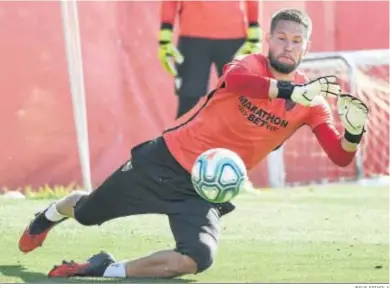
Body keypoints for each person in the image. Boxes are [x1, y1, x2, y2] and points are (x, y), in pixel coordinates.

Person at [19, 9, 368, 279]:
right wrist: (290, 90)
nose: (287, 46)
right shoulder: (252, 64)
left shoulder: (313, 106)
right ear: (269, 41)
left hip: (204, 189)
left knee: (197, 259)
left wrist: (353, 133)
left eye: (296, 40)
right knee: (86, 213)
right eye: (281, 38)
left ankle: (104, 267)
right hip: (164, 162)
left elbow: (339, 156)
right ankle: (49, 215)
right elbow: (235, 81)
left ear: (306, 47)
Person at [158, 1, 262, 118]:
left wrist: (164, 38)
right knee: (190, 105)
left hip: (203, 37)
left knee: (238, 104)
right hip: (199, 37)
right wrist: (254, 36)